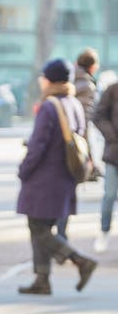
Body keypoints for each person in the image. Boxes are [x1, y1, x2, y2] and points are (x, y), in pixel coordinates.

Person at [17, 58, 97, 295]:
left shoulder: (50, 106)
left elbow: (38, 146)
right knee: (43, 227)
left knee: (38, 228)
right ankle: (42, 279)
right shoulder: (73, 103)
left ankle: (80, 261)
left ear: (49, 80)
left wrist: (24, 170)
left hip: (45, 179)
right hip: (65, 178)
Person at [57, 47, 100, 238]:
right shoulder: (88, 87)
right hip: (73, 147)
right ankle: (60, 238)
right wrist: (89, 157)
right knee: (66, 192)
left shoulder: (65, 80)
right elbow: (84, 126)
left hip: (56, 143)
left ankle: (57, 237)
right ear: (93, 67)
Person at [92, 78, 118, 252]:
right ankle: (104, 230)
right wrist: (112, 136)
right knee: (109, 195)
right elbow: (98, 116)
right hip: (114, 153)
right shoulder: (113, 90)